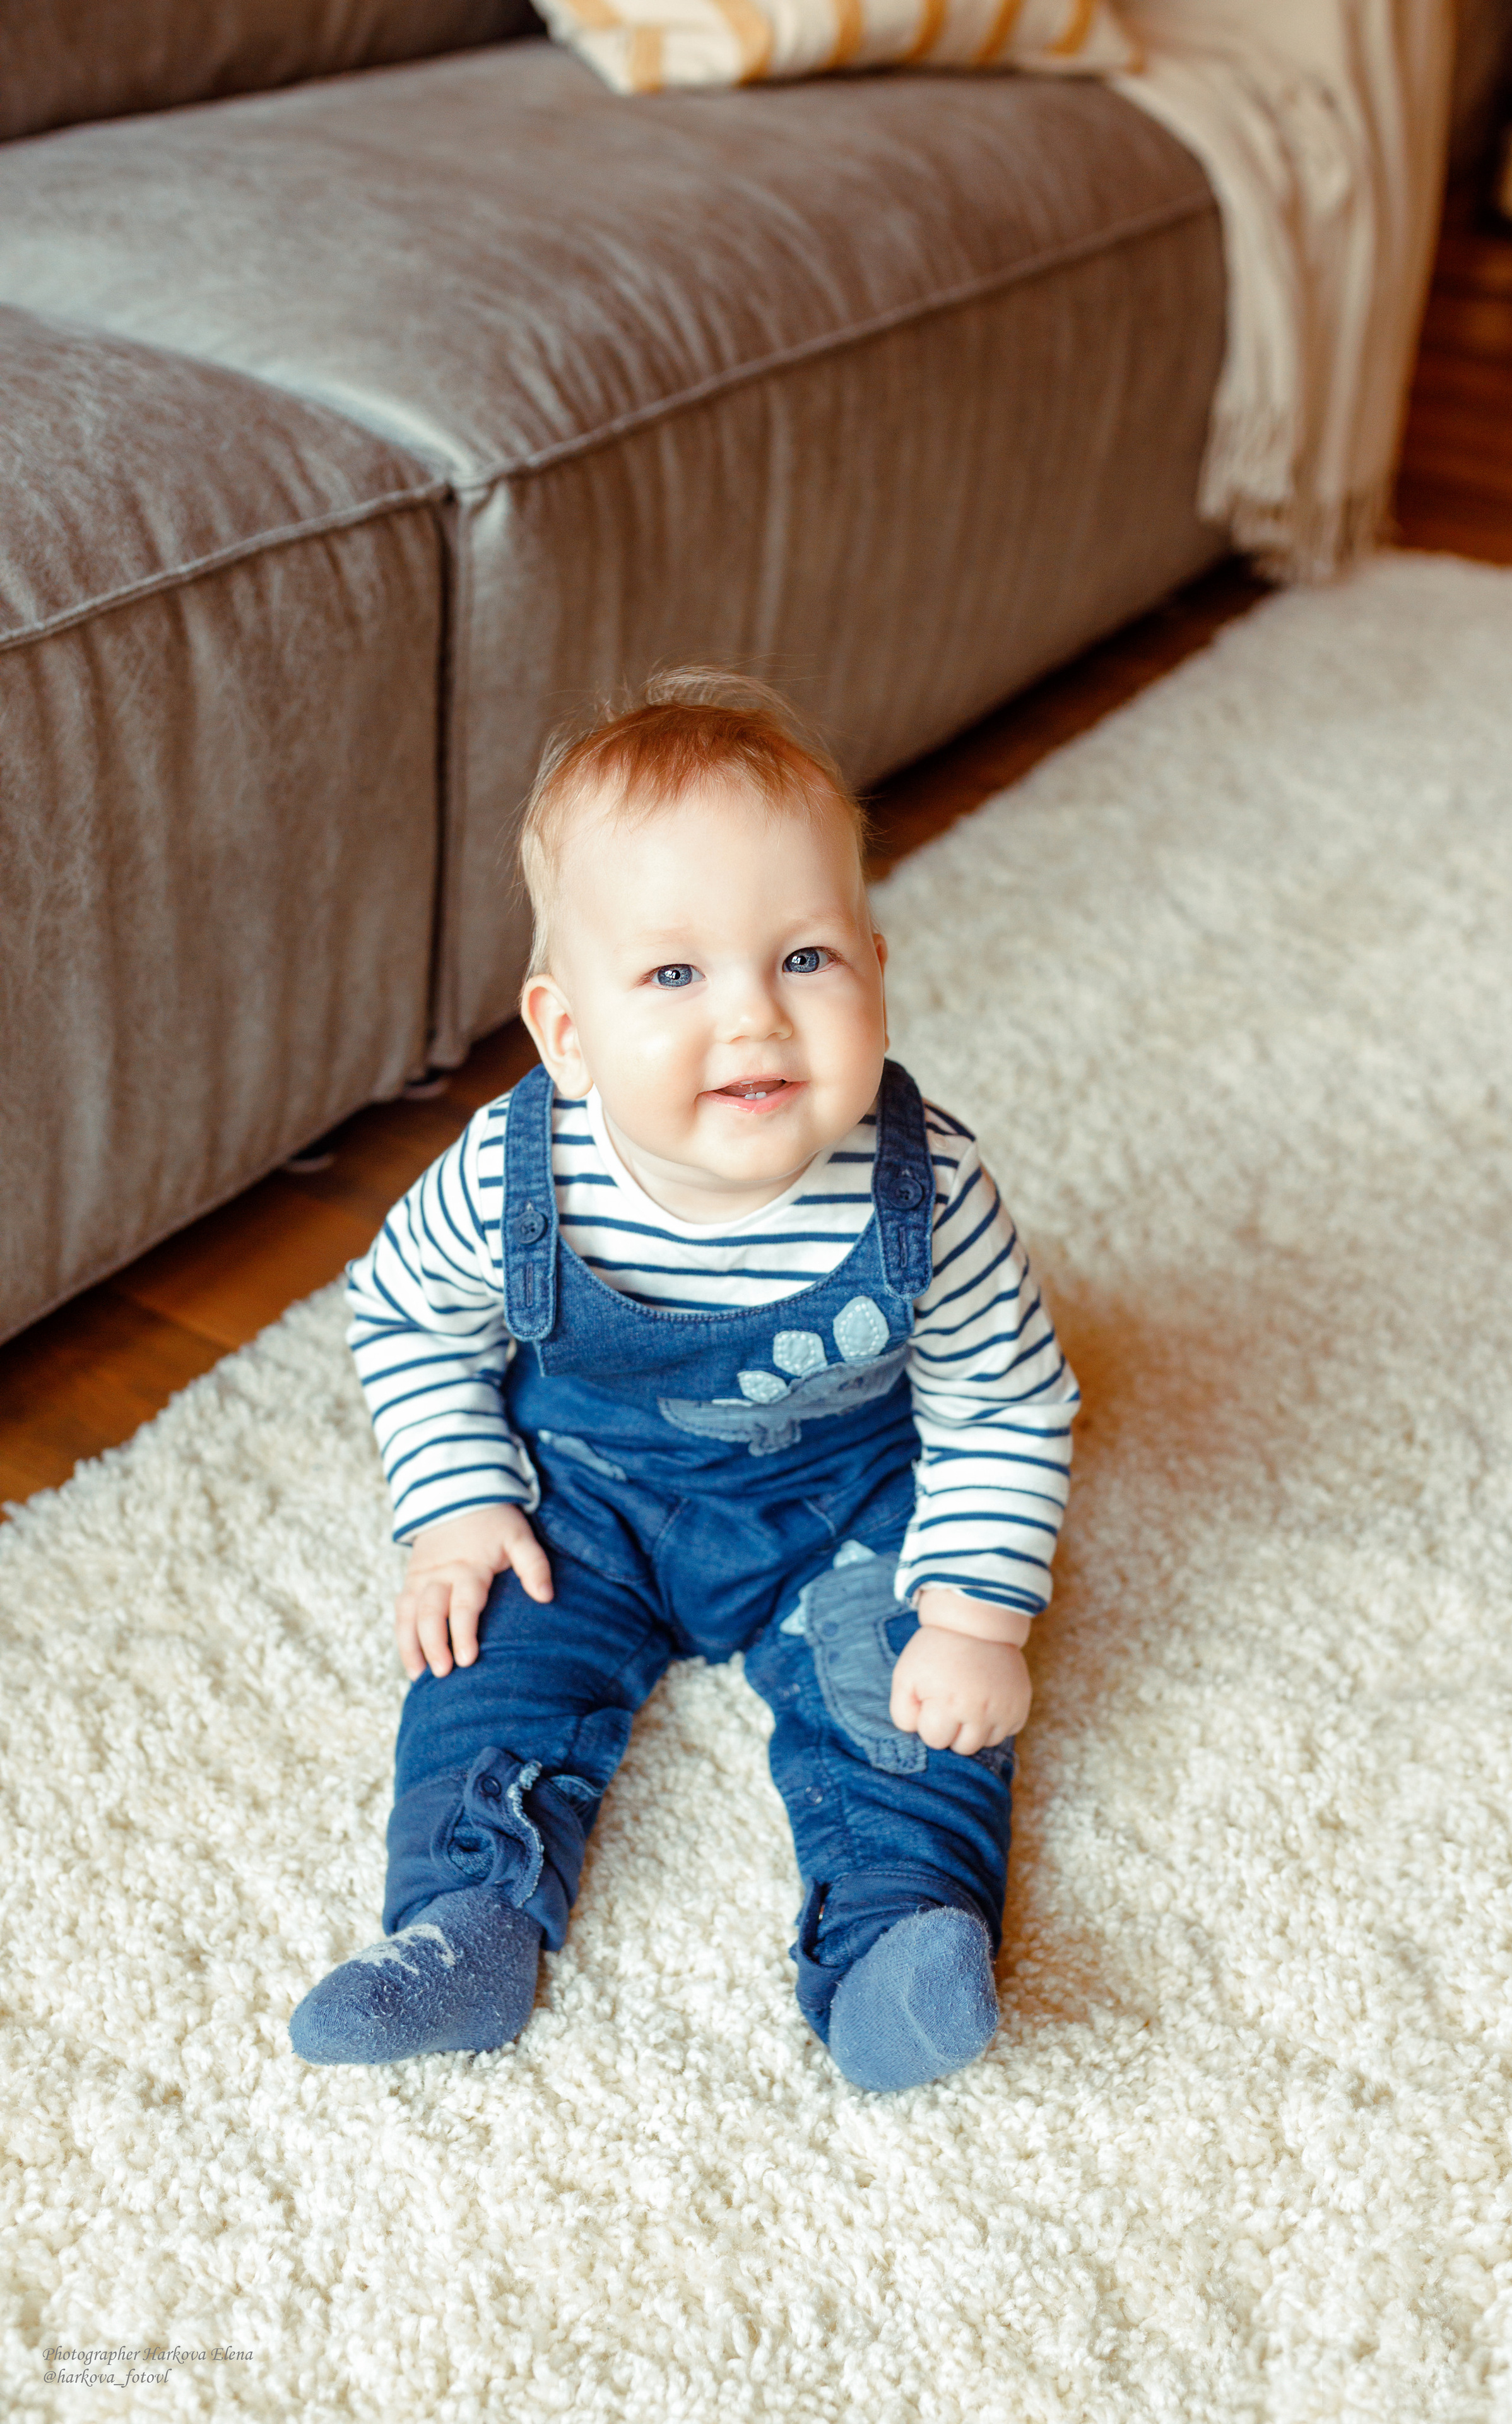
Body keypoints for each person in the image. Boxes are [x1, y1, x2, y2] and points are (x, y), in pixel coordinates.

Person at [289, 671, 1078, 2090]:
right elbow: (405, 1316)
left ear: (876, 969)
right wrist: (457, 1506)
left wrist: (971, 1613)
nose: (753, 1020)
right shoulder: (511, 1176)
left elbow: (1004, 1402)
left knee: (910, 1715)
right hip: (585, 1499)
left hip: (841, 1500)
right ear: (565, 1032)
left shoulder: (928, 1189)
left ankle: (898, 1938)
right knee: (483, 1677)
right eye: (673, 975)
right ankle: (462, 1922)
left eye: (804, 960)